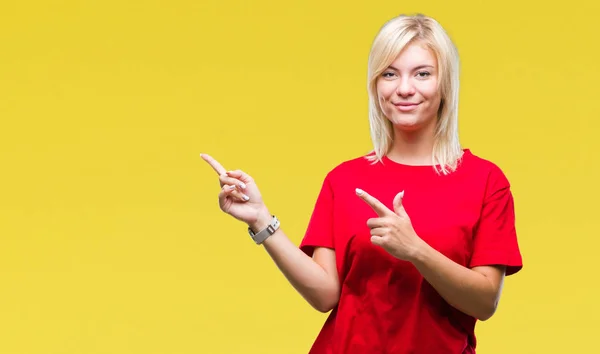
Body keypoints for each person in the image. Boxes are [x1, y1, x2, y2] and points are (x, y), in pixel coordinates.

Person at [201, 13, 522, 354]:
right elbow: (325, 295)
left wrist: (415, 250)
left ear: (446, 84)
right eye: (389, 74)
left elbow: (484, 302)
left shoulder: (485, 181)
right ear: (375, 84)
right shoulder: (344, 179)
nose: (404, 88)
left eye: (422, 74)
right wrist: (261, 219)